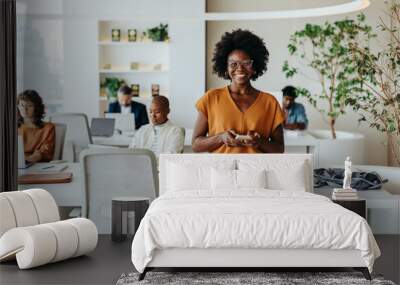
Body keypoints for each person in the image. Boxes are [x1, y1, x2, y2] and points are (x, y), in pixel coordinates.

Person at [192, 29, 284, 153]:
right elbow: (196, 145)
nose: (239, 68)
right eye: (233, 64)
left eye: (246, 63)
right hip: (220, 170)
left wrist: (259, 142)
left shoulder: (270, 102)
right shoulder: (211, 98)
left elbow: (279, 148)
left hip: (257, 171)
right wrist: (220, 138)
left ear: (255, 67)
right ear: (226, 67)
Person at [17, 90, 55, 162]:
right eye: (22, 105)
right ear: (18, 106)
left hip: (38, 166)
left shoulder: (48, 128)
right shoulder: (13, 128)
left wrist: (31, 158)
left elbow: (46, 152)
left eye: (30, 105)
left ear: (36, 108)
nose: (25, 109)